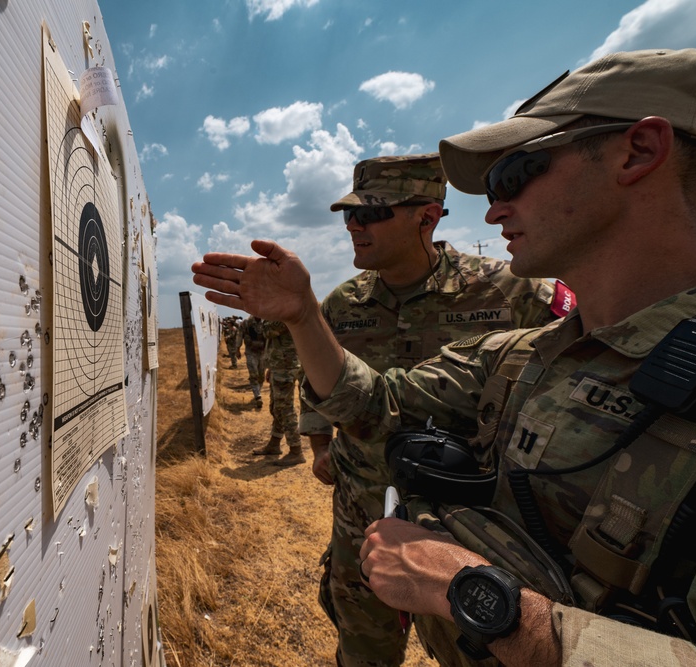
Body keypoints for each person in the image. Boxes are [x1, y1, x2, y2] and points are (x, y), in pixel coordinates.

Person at [192, 48, 696, 665]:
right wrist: (306, 317)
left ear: (638, 152)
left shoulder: (521, 307)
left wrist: (471, 593)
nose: (495, 209)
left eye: (516, 174)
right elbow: (376, 402)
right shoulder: (524, 355)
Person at [303, 153, 566, 667]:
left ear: (428, 216)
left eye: (372, 213)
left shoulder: (515, 293)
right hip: (364, 514)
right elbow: (316, 385)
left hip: (475, 526)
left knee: (482, 647)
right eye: (348, 214)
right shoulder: (341, 305)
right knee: (363, 648)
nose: (354, 225)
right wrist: (319, 446)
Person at [255, 320, 306, 465]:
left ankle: (296, 451)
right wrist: (270, 367)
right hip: (279, 366)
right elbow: (274, 341)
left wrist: (266, 316)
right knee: (275, 407)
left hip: (286, 367)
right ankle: (274, 443)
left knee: (284, 409)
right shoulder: (277, 312)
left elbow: (267, 331)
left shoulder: (283, 312)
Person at [237, 315, 266, 408]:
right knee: (253, 374)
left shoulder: (266, 322)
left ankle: (258, 390)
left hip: (262, 352)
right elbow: (239, 335)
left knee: (261, 375)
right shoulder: (246, 323)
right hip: (251, 352)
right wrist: (237, 349)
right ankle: (257, 396)